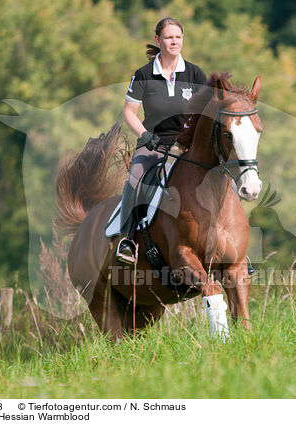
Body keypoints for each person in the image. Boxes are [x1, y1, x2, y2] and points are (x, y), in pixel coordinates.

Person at [116, 17, 207, 264]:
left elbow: (206, 113)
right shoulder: (144, 75)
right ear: (158, 40)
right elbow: (129, 113)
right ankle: (126, 240)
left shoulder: (195, 73)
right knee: (135, 180)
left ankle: (239, 249)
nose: (174, 42)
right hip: (153, 145)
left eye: (178, 37)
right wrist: (145, 136)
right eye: (169, 37)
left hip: (187, 146)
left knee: (225, 179)